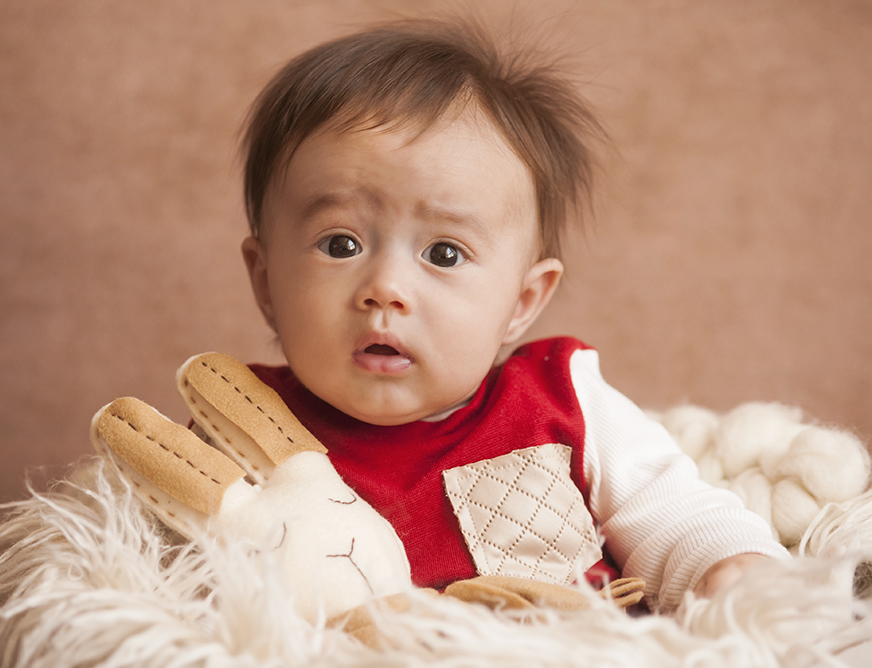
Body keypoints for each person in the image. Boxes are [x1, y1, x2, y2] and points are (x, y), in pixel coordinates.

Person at [232, 19, 789, 613]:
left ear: (522, 302)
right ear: (266, 282)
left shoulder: (560, 402)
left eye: (444, 254)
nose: (386, 288)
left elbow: (673, 512)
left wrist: (726, 566)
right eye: (340, 244)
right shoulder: (242, 426)